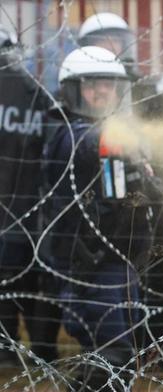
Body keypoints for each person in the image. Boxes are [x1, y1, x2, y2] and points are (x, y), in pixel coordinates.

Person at [42, 46, 163, 392]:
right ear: (73, 90)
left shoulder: (112, 134)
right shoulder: (72, 133)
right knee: (114, 351)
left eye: (110, 85)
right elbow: (90, 155)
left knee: (111, 351)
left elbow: (133, 190)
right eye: (93, 85)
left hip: (116, 261)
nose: (103, 92)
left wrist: (150, 182)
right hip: (92, 262)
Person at [0, 24, 56, 365]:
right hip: (35, 210)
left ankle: (6, 349)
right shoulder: (36, 92)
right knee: (38, 284)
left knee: (6, 284)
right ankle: (43, 352)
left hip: (12, 207)